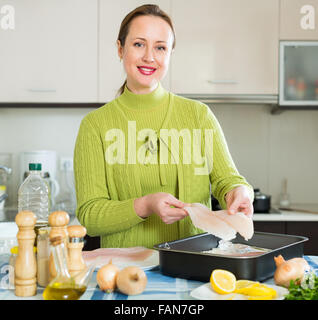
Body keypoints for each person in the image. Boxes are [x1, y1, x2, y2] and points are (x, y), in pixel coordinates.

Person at [73, 4, 254, 249]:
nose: (149, 57)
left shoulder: (198, 116)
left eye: (160, 47)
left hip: (194, 264)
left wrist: (239, 192)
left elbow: (228, 180)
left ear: (169, 54)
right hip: (126, 273)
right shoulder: (95, 126)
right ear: (120, 49)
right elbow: (90, 216)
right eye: (139, 44)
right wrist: (144, 205)